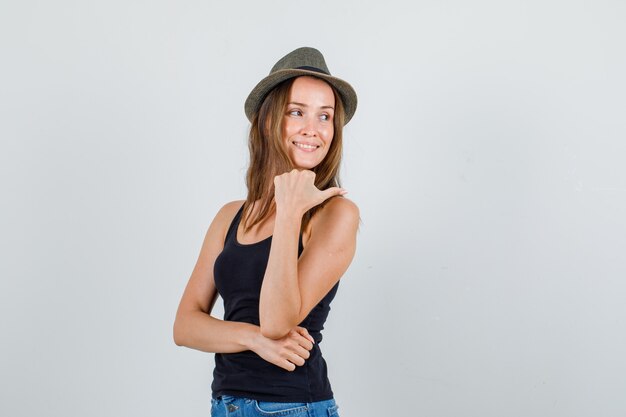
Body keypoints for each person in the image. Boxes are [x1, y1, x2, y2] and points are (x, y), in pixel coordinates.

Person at [173, 47, 359, 417]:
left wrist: (291, 209)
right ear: (267, 121)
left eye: (325, 116)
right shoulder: (231, 216)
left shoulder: (336, 214)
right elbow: (185, 325)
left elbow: (277, 322)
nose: (313, 128)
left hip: (292, 406)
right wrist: (254, 339)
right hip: (225, 405)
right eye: (297, 112)